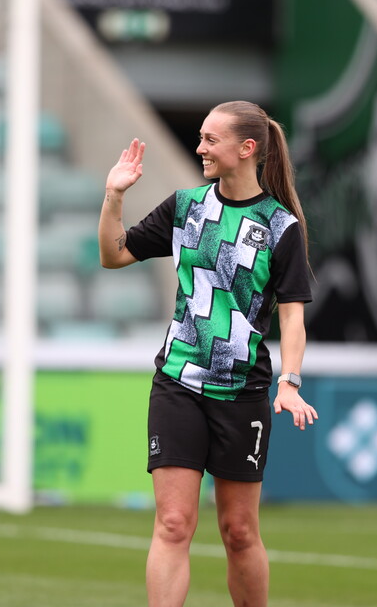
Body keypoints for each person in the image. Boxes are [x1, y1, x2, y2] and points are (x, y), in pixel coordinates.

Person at [99, 100, 317, 606]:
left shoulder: (281, 227)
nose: (200, 148)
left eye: (210, 139)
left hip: (243, 393)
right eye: (200, 137)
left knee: (239, 531)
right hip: (177, 383)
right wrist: (114, 195)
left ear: (247, 149)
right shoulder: (185, 206)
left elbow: (293, 318)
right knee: (173, 523)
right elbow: (114, 254)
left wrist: (290, 382)